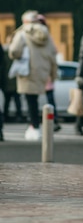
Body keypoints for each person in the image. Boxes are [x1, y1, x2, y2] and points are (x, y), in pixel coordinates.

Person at [8, 10, 57, 141]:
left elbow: (14, 51)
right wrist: (52, 73)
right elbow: (54, 52)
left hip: (27, 71)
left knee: (30, 100)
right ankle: (38, 126)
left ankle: (34, 126)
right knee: (39, 99)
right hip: (43, 71)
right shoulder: (46, 34)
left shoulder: (22, 33)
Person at [37, 14, 61, 132]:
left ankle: (52, 120)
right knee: (44, 99)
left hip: (41, 72)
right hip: (42, 71)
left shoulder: (47, 38)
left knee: (45, 99)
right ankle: (39, 121)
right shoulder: (46, 37)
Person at [2, 34, 25, 123]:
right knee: (11, 101)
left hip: (11, 81)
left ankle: (9, 116)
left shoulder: (7, 52)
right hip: (12, 81)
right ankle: (14, 115)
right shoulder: (14, 52)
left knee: (12, 101)